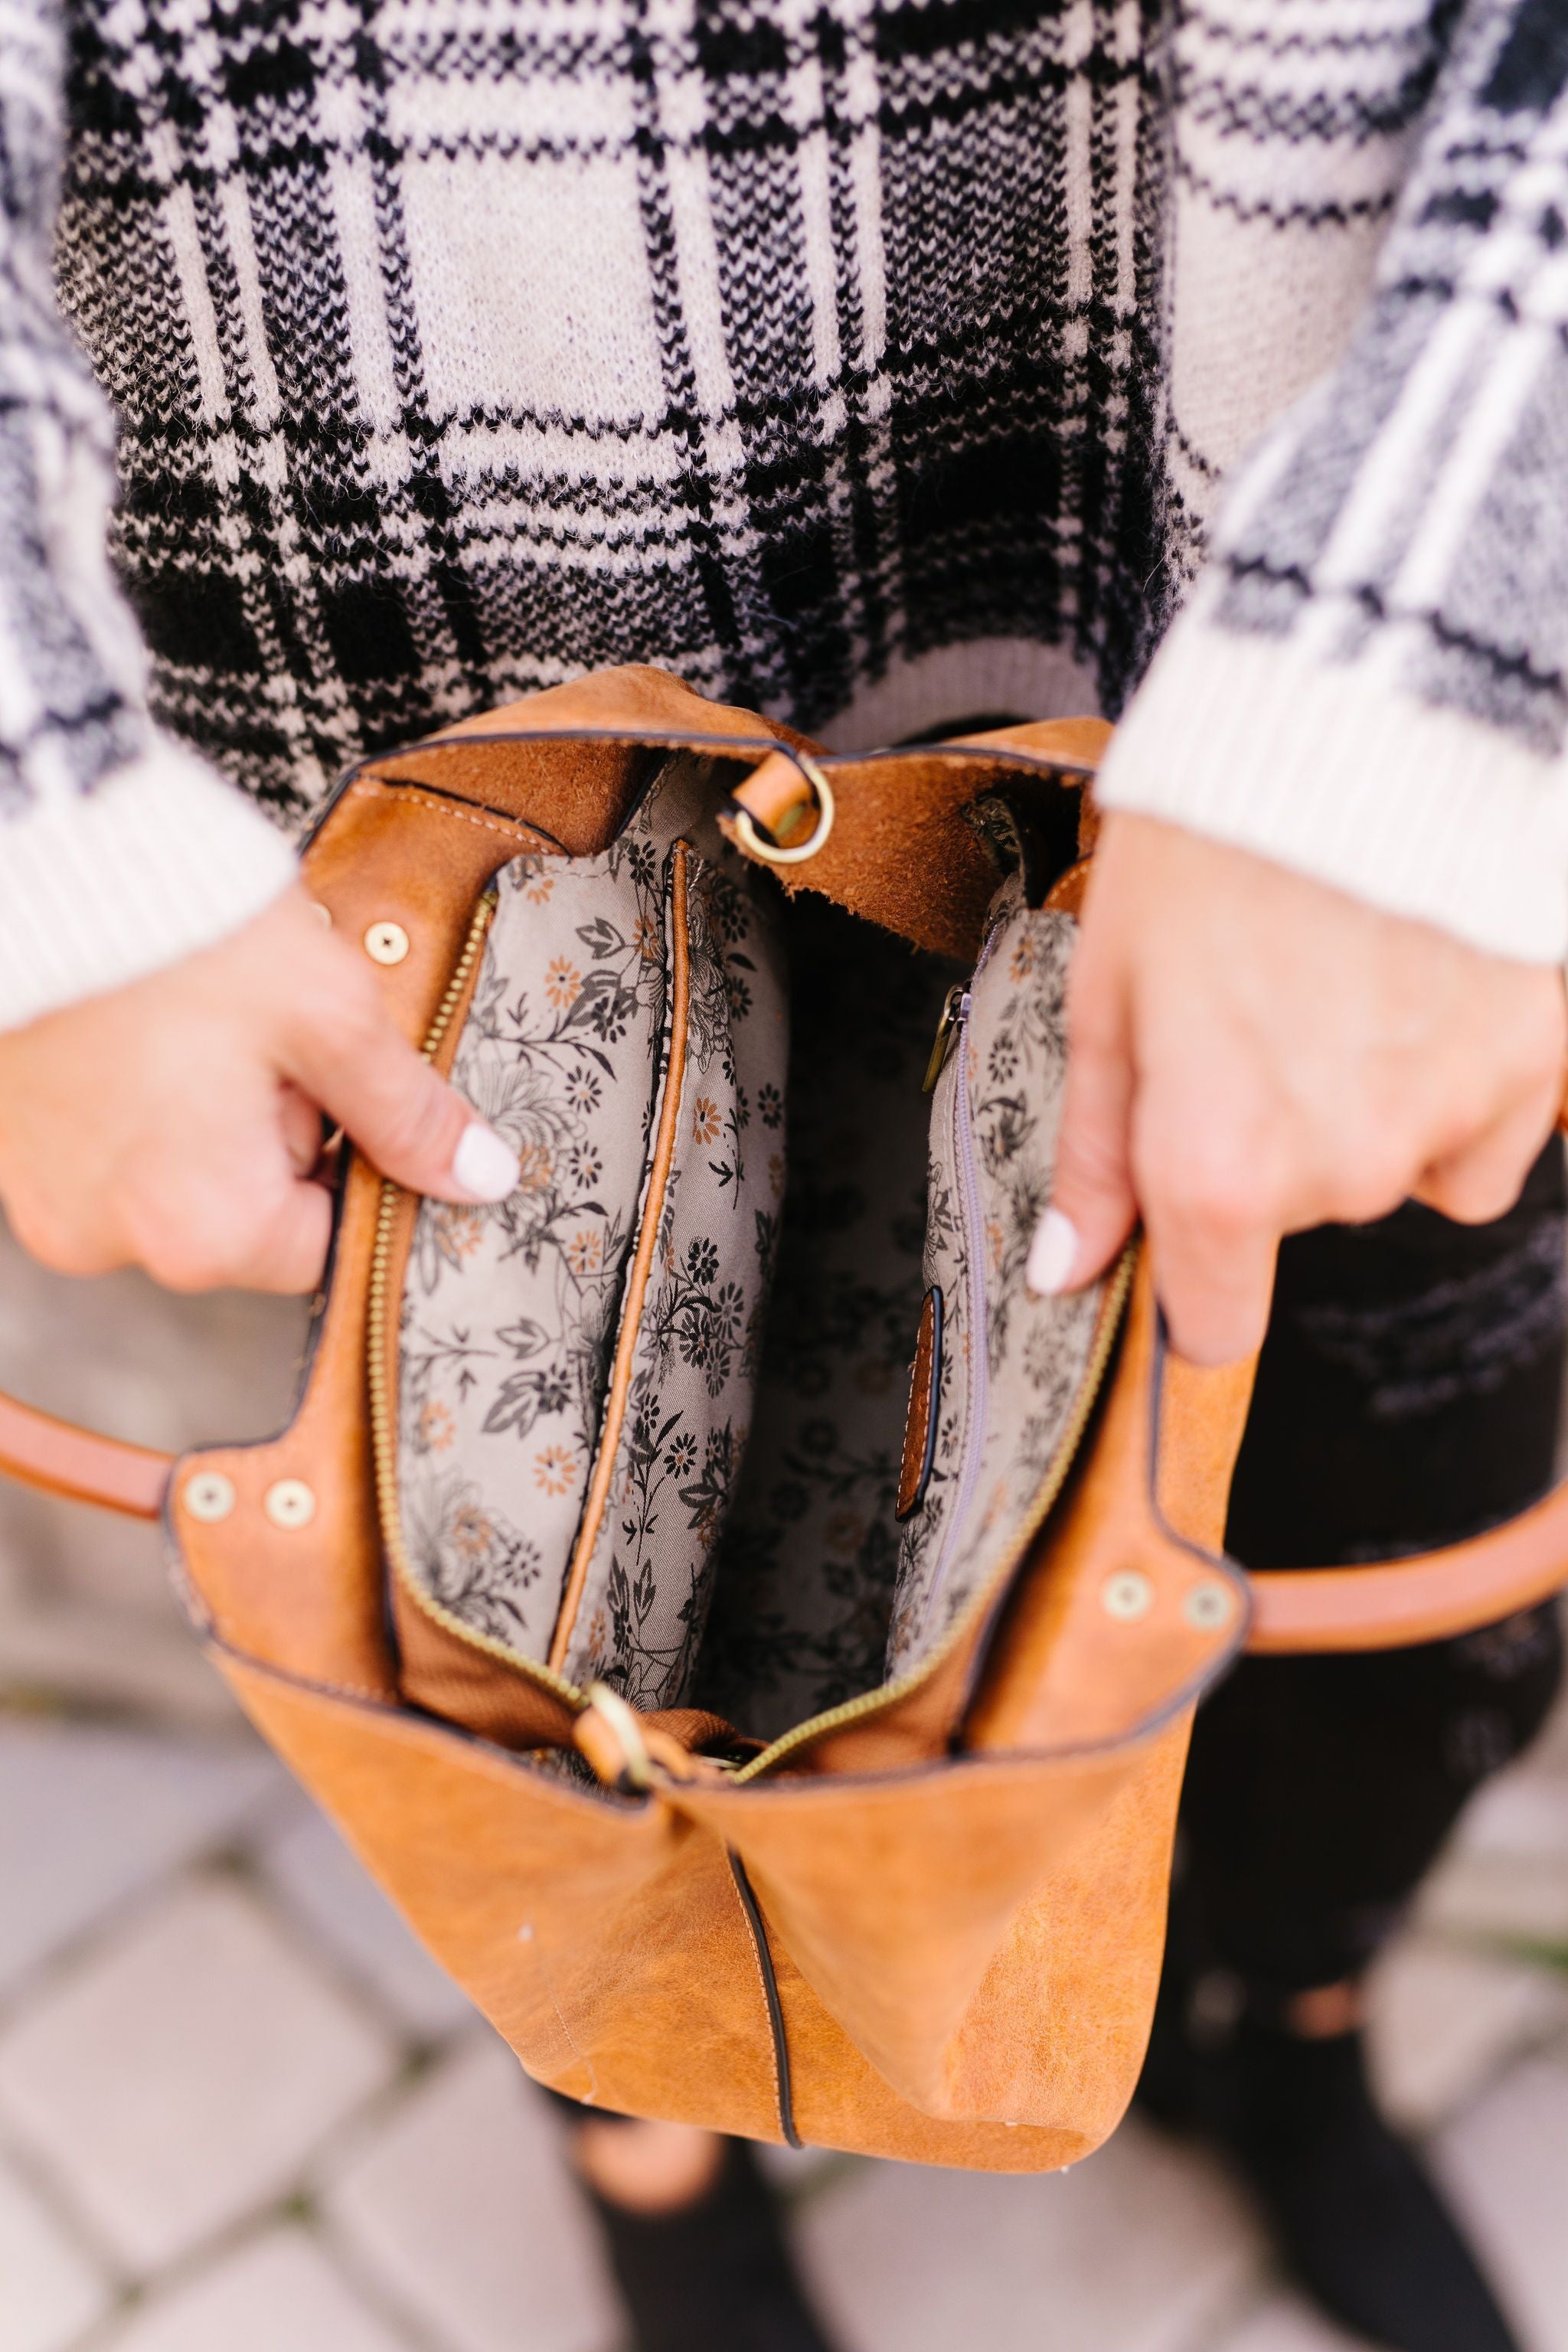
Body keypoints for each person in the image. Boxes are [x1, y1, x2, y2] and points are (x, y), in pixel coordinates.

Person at [0, 0, 1566, 2344]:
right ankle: (646, 2123)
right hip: (452, 740)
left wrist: (1454, 668)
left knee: (1397, 1578)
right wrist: (38, 843)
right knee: (522, 1629)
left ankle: (1290, 2026)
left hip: (1313, 734)